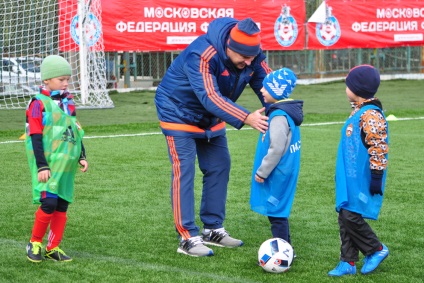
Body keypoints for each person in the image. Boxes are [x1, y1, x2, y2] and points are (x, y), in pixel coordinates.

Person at [154, 17, 272, 257]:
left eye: (253, 57)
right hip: (177, 112)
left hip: (211, 117)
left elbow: (267, 86)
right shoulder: (202, 54)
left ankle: (213, 228)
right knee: (184, 169)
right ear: (229, 47)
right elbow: (210, 96)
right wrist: (246, 117)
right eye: (244, 58)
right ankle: (187, 236)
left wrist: (282, 109)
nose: (250, 62)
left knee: (220, 165)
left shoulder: (252, 55)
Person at [25, 55, 88, 263]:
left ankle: (53, 247)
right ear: (47, 80)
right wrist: (41, 165)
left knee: (62, 204)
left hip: (66, 164)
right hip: (48, 164)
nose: (66, 83)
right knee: (49, 202)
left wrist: (81, 155)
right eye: (61, 79)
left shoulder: (68, 102)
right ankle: (34, 242)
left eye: (67, 79)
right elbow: (34, 135)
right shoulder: (38, 103)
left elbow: (74, 130)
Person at [328, 65, 389, 276]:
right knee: (344, 213)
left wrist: (376, 176)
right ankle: (348, 262)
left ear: (357, 88)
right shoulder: (359, 109)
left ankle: (376, 249)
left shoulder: (371, 114)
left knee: (350, 215)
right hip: (350, 177)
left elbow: (378, 145)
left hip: (363, 177)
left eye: (348, 84)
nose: (346, 88)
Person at [250, 68, 303, 254]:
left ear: (276, 90)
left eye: (265, 87)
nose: (261, 91)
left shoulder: (279, 116)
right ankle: (287, 247)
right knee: (277, 209)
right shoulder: (283, 113)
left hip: (278, 172)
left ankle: (283, 251)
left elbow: (277, 148)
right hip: (285, 170)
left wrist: (262, 171)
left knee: (276, 210)